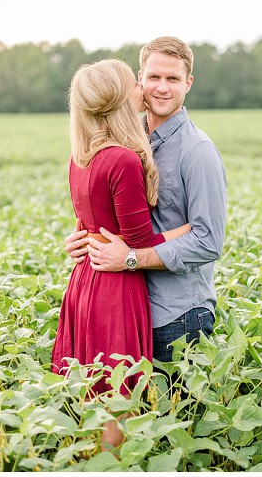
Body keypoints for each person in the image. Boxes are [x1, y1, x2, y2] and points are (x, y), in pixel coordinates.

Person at [53, 58, 190, 450]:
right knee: (120, 393)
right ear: (119, 98)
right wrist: (184, 230)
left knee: (94, 394)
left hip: (85, 282)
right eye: (135, 83)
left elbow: (90, 224)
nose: (143, 89)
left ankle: (95, 460)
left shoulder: (80, 157)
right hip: (116, 287)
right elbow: (139, 241)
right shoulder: (123, 159)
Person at [65, 36, 227, 363]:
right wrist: (85, 239)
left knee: (173, 413)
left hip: (177, 316)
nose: (162, 88)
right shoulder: (124, 142)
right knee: (132, 409)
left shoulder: (197, 151)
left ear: (188, 83)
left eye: (173, 79)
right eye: (154, 77)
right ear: (139, 81)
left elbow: (209, 241)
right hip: (129, 311)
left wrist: (130, 258)